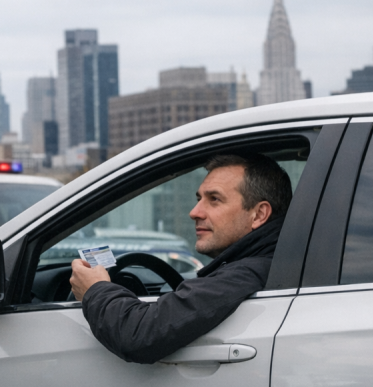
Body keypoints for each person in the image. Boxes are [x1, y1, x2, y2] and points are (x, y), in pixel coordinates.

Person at [69, 153, 292, 364]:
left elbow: (138, 334)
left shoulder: (246, 273)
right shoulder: (274, 262)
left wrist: (95, 289)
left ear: (259, 214)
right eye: (199, 199)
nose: (194, 212)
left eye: (214, 199)